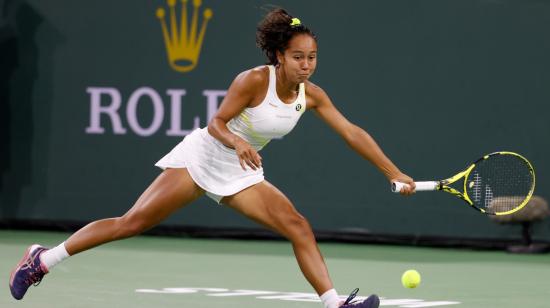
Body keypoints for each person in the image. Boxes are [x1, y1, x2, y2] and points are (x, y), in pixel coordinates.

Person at [9, 8, 415, 308]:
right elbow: (217, 123)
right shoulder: (254, 81)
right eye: (298, 57)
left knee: (297, 226)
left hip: (241, 172)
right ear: (279, 56)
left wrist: (393, 172)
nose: (306, 65)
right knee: (132, 223)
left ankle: (333, 303)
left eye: (312, 57)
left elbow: (351, 133)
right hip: (204, 157)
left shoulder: (313, 96)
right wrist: (237, 143)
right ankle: (42, 260)